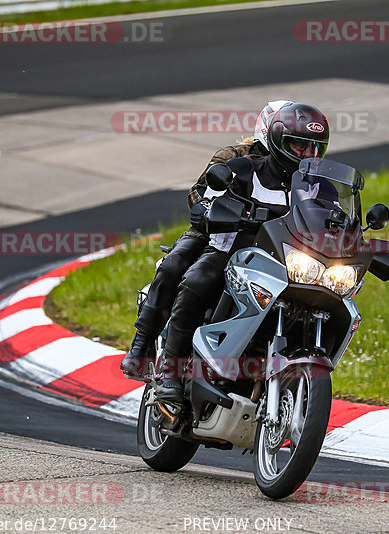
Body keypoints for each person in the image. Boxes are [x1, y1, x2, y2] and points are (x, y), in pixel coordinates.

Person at [154, 102, 331, 401]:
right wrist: (214, 211)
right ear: (275, 137)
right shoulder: (239, 162)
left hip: (284, 259)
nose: (304, 154)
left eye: (312, 148)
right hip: (228, 243)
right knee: (196, 280)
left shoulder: (317, 185)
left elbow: (330, 217)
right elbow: (203, 194)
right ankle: (169, 369)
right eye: (297, 145)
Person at [120, 100, 294, 378]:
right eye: (291, 140)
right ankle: (141, 346)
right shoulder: (234, 156)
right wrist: (208, 209)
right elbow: (199, 191)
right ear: (269, 131)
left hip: (269, 244)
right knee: (174, 266)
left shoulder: (301, 169)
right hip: (215, 232)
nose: (301, 149)